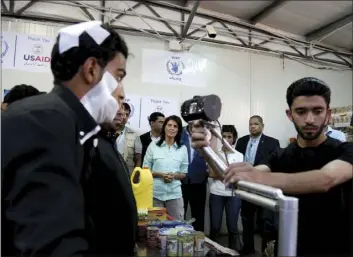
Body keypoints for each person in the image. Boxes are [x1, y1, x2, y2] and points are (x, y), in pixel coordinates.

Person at [2, 21, 135, 256]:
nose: (122, 91)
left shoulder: (77, 128)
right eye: (119, 76)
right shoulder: (45, 122)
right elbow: (47, 244)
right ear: (92, 69)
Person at [191, 77, 353, 256]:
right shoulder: (280, 155)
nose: (309, 119)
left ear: (328, 114)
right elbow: (234, 177)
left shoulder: (345, 151)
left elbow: (326, 179)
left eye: (317, 111)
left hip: (337, 247)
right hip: (290, 246)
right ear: (289, 114)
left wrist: (256, 176)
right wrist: (206, 148)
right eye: (301, 111)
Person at [235, 115, 280, 254]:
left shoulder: (272, 142)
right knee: (246, 217)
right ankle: (248, 247)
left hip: (263, 186)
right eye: (250, 124)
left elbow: (274, 165)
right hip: (246, 186)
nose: (252, 126)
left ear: (262, 126)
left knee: (264, 220)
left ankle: (266, 250)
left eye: (256, 124)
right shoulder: (242, 141)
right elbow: (236, 160)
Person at [143, 115, 189, 220]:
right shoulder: (153, 146)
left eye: (175, 126)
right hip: (156, 194)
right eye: (169, 125)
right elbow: (145, 170)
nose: (172, 128)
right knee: (156, 229)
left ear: (178, 130)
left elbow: (183, 174)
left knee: (176, 227)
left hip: (175, 195)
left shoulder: (183, 149)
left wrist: (174, 176)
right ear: (164, 127)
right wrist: (160, 175)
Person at [208, 125, 243, 251]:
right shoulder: (214, 154)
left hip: (233, 195)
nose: (226, 139)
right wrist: (229, 174)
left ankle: (233, 251)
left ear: (234, 139)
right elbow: (211, 173)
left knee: (233, 227)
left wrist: (221, 173)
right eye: (224, 136)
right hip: (216, 193)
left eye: (230, 137)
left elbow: (239, 176)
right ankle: (211, 252)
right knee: (215, 227)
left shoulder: (239, 155)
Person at [181, 121, 208, 232]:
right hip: (180, 181)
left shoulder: (207, 133)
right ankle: (179, 243)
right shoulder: (179, 131)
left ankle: (199, 246)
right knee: (179, 215)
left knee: (198, 216)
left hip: (199, 181)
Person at [115, 102, 140, 172]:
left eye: (127, 115)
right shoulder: (106, 132)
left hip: (127, 175)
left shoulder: (135, 135)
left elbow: (138, 159)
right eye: (121, 114)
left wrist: (135, 175)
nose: (124, 117)